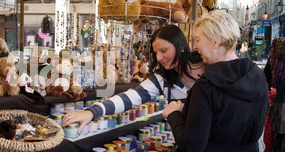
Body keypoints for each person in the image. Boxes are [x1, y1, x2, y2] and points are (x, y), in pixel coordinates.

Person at [162, 10, 269, 152]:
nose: (194, 46)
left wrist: (174, 114)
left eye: (198, 39)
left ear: (216, 41)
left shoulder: (206, 87)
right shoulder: (257, 77)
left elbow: (192, 146)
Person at [62, 24, 205, 132]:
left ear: (180, 45)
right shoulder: (163, 79)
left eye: (164, 50)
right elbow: (130, 98)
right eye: (156, 53)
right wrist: (92, 112)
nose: (159, 58)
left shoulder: (208, 66)